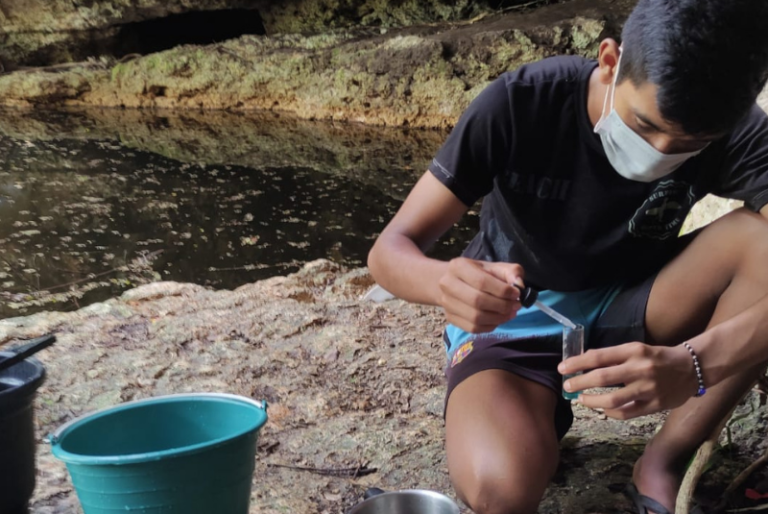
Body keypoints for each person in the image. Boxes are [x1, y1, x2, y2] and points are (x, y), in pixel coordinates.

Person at [367, 0, 768, 512]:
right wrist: (443, 282)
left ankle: (664, 461)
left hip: (639, 302)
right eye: (646, 125)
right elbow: (388, 252)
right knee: (500, 488)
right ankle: (530, 413)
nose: (662, 151)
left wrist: (695, 364)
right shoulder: (523, 102)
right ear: (609, 60)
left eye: (690, 143)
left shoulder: (733, 125)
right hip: (515, 317)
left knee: (758, 245)